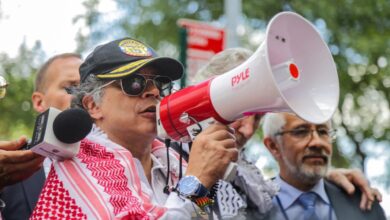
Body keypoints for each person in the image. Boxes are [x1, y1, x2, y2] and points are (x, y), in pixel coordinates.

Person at [29, 37, 240, 219]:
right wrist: (197, 179)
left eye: (161, 83)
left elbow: (199, 215)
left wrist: (205, 181)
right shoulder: (76, 164)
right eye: (135, 83)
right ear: (93, 105)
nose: (154, 92)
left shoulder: (173, 163)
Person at [188, 47, 383, 219]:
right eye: (300, 131)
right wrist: (193, 187)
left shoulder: (255, 192)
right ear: (272, 146)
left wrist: (323, 178)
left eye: (257, 118)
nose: (248, 130)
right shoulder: (164, 161)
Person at [0, 53, 82, 220]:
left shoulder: (127, 164)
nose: (84, 96)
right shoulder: (8, 167)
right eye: (71, 87)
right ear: (39, 102)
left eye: (91, 87)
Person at [262, 112, 386, 220]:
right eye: (301, 132)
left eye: (323, 132)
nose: (317, 142)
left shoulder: (364, 201)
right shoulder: (249, 207)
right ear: (273, 146)